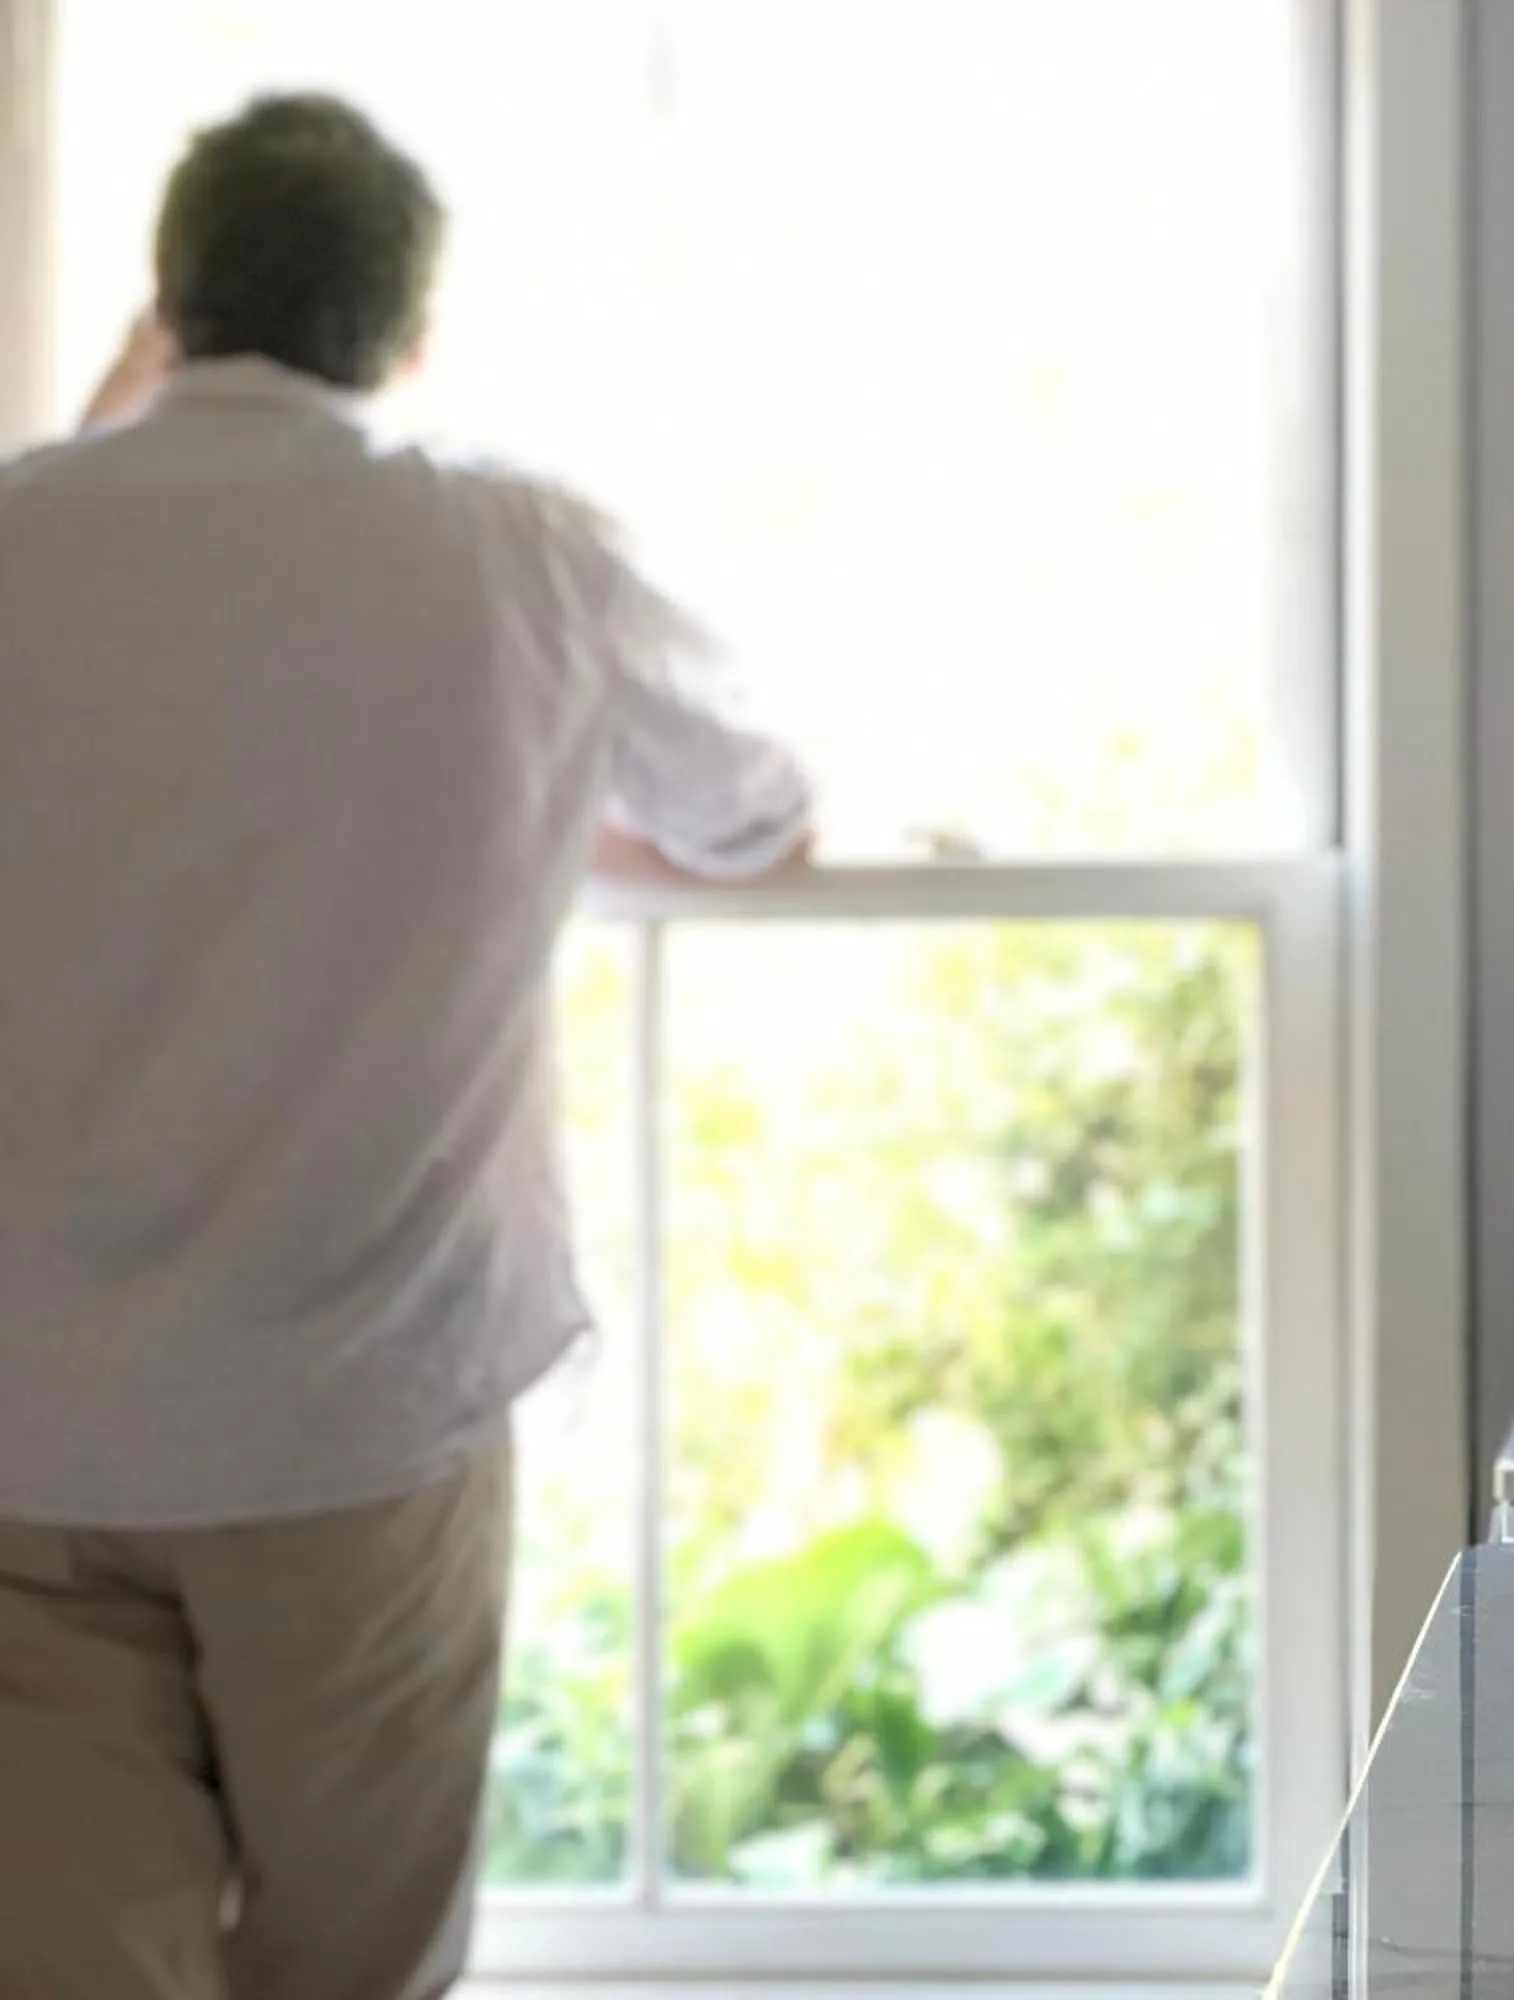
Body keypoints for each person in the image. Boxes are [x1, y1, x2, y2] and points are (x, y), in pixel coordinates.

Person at [0, 93, 813, 1998]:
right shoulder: (514, 548)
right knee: (353, 1962)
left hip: (27, 1419)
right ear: (408, 335)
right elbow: (756, 818)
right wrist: (535, 810)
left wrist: (117, 408)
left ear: (167, 305)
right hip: (355, 1408)